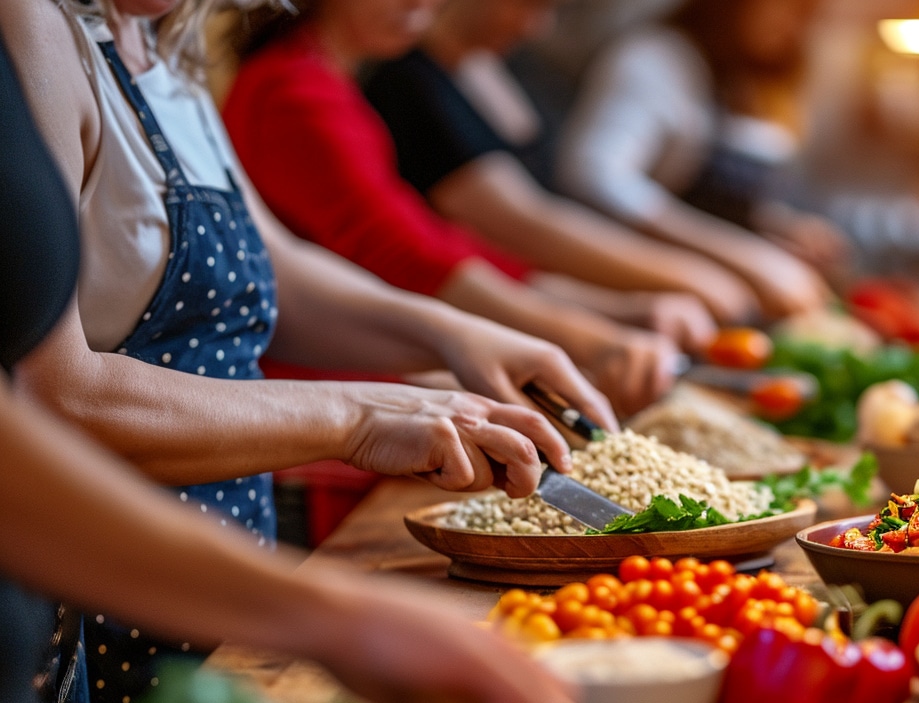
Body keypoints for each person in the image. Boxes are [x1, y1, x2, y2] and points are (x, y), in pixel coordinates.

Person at [0, 22, 575, 703]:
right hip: (122, 582)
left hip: (220, 575)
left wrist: (454, 337)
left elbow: (279, 267)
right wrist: (357, 418)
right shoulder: (38, 30)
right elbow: (58, 395)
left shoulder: (169, 55)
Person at [223, 0, 699, 413]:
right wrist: (591, 339)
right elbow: (409, 256)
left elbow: (443, 244)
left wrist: (608, 312)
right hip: (317, 396)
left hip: (358, 375)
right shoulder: (294, 89)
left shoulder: (325, 78)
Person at [359, 0, 758, 330]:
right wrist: (685, 275)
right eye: (525, 6)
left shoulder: (499, 69)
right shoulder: (409, 79)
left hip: (529, 296)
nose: (536, 28)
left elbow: (548, 208)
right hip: (467, 316)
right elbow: (519, 223)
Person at [555, 0, 845, 321]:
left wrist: (776, 226)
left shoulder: (737, 76)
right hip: (618, 289)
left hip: (701, 302)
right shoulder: (655, 58)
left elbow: (716, 199)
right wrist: (744, 256)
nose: (795, 27)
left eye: (806, 15)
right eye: (789, 9)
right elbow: (594, 177)